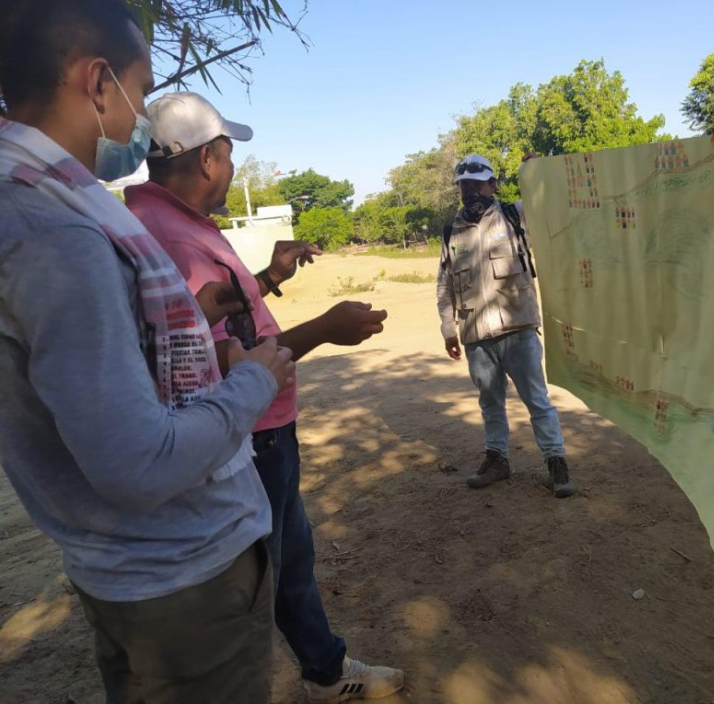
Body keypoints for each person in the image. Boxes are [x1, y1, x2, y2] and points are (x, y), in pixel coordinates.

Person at [0, 0, 297, 702]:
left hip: (134, 570)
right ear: (98, 82)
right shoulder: (61, 233)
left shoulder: (43, 205)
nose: (142, 115)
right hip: (181, 576)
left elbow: (107, 369)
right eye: (142, 87)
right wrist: (252, 381)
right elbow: (137, 462)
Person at [125, 92, 404, 703]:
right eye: (228, 155)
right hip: (250, 433)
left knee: (290, 557)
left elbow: (213, 318)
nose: (231, 168)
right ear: (207, 159)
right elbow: (220, 360)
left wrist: (271, 277)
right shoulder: (173, 238)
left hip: (264, 424)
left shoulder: (171, 223)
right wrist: (324, 329)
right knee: (259, 574)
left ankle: (325, 670)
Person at [437, 153, 575, 498]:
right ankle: (497, 459)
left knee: (537, 400)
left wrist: (537, 171)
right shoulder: (451, 231)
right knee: (490, 402)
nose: (471, 192)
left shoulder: (516, 215)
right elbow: (445, 284)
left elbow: (552, 202)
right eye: (464, 186)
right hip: (476, 336)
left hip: (519, 329)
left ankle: (556, 462)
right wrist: (448, 328)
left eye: (478, 184)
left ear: (493, 185)